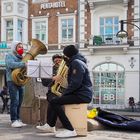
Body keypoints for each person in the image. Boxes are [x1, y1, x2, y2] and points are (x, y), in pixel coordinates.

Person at [36, 45, 93, 138]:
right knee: (54, 100)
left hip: (82, 95)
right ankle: (50, 125)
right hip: (81, 93)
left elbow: (75, 83)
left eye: (65, 55)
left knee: (55, 101)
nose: (64, 57)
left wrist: (63, 94)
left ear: (68, 55)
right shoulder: (78, 61)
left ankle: (70, 129)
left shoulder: (76, 63)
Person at [5, 41, 27, 128]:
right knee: (15, 101)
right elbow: (10, 64)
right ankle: (13, 120)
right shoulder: (9, 55)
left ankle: (18, 119)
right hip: (12, 81)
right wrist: (23, 64)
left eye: (22, 47)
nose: (21, 49)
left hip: (21, 81)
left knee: (20, 101)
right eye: (19, 47)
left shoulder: (22, 57)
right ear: (14, 48)